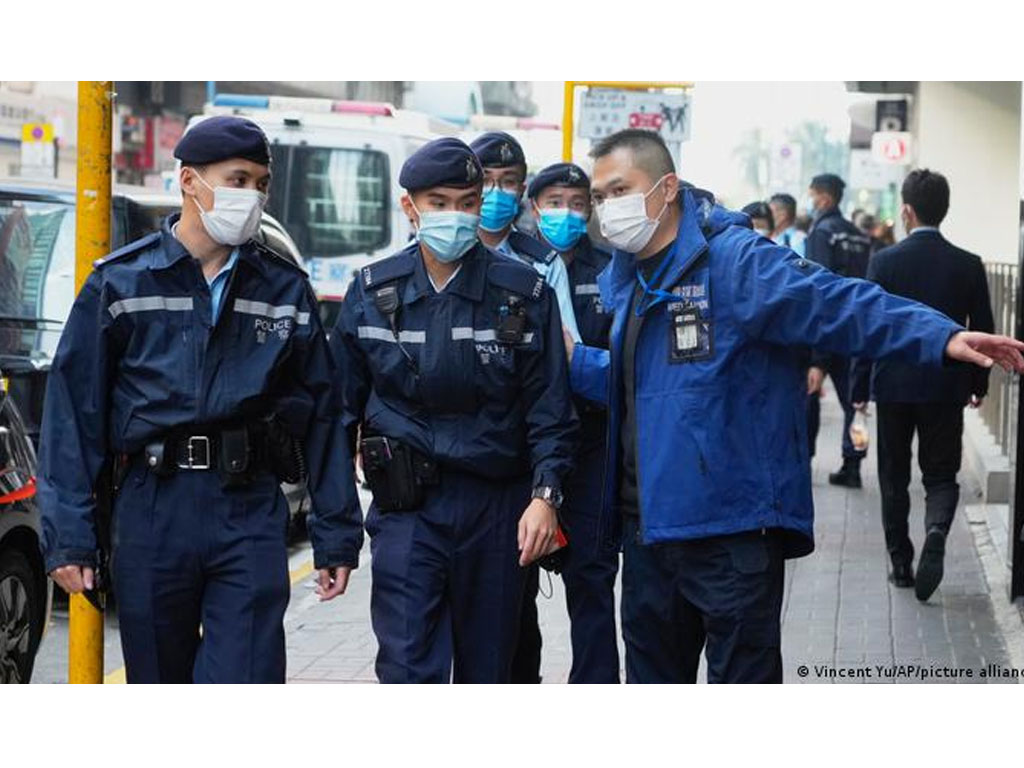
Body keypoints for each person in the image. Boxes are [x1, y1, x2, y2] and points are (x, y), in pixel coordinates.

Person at [565, 129, 1024, 683]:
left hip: (729, 537)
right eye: (599, 196)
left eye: (619, 190)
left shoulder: (734, 262)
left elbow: (836, 302)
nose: (606, 208)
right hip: (649, 538)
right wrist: (571, 360)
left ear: (666, 188)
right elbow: (641, 383)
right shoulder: (633, 278)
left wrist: (938, 336)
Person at [38, 116, 364, 683]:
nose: (253, 196)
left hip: (248, 506)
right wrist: (69, 536)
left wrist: (336, 531)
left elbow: (323, 415)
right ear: (189, 181)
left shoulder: (283, 289)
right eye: (237, 179)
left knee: (249, 678)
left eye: (261, 184)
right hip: (152, 508)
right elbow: (72, 416)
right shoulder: (121, 284)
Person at [331, 137, 578, 683]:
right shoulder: (371, 292)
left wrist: (545, 498)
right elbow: (337, 417)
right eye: (439, 203)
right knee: (406, 669)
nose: (457, 217)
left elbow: (550, 410)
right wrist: (336, 534)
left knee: (489, 671)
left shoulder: (524, 293)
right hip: (407, 510)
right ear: (411, 208)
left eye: (467, 202)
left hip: (497, 510)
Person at [851, 169, 995, 601]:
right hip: (946, 385)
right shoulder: (968, 264)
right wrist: (978, 383)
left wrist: (859, 385)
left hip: (893, 384)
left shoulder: (884, 261)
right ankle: (936, 528)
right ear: (944, 210)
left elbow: (866, 326)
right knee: (940, 473)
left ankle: (900, 564)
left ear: (907, 211)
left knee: (893, 476)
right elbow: (983, 328)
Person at [469, 131, 581, 683]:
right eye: (487, 182)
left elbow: (562, 363)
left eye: (509, 183)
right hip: (440, 466)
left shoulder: (542, 264)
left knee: (511, 617)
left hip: (514, 458)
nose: (496, 193)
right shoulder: (417, 263)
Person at [527, 162, 620, 683]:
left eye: (577, 202)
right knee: (511, 587)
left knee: (591, 578)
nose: (566, 212)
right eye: (555, 200)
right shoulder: (510, 261)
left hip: (591, 444)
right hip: (525, 446)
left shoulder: (611, 268)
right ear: (534, 205)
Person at [804, 173, 874, 488]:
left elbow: (817, 289)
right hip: (855, 329)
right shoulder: (859, 236)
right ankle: (853, 464)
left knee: (808, 397)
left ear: (825, 198)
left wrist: (817, 356)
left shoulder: (822, 232)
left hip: (827, 330)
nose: (811, 201)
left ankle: (803, 460)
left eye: (813, 195)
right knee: (855, 404)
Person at [769, 193, 806, 257]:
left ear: (783, 215)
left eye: (770, 212)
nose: (767, 216)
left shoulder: (797, 239)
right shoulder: (772, 236)